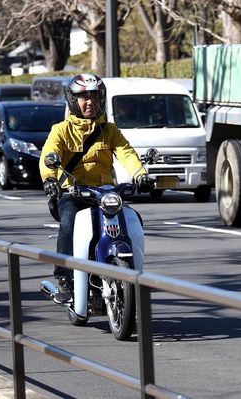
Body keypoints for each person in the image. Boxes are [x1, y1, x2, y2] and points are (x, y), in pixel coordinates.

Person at [39, 73, 155, 304]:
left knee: (134, 218)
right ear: (73, 100)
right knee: (69, 219)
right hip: (72, 193)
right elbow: (48, 156)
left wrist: (141, 174)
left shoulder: (109, 130)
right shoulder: (60, 130)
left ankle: (133, 274)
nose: (90, 101)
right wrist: (50, 179)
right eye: (83, 96)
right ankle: (63, 276)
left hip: (104, 192)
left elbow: (126, 153)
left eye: (95, 96)